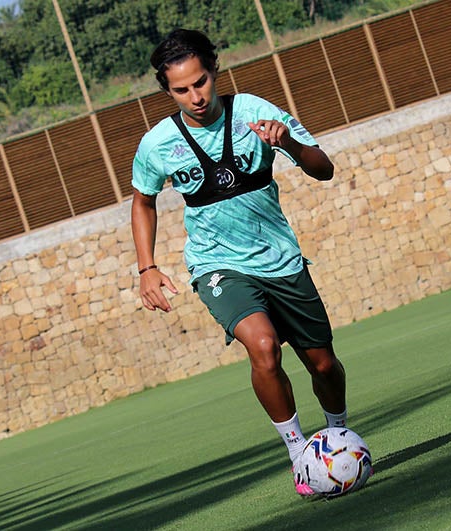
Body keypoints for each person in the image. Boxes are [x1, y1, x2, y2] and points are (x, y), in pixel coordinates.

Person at [130, 28, 348, 497]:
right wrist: (147, 267)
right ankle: (298, 456)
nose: (195, 96)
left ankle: (339, 436)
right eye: (181, 90)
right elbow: (143, 201)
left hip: (281, 259)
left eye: (201, 82)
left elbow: (324, 168)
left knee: (324, 366)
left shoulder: (255, 111)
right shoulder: (157, 144)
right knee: (264, 346)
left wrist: (287, 143)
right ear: (166, 91)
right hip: (217, 264)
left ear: (214, 70)